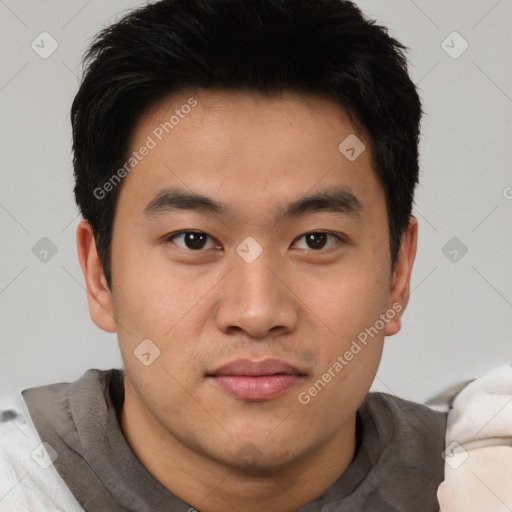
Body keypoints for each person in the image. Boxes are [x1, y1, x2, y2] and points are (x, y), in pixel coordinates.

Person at [0, 0, 449, 510]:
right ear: (100, 274)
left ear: (398, 272)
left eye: (316, 239)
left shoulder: (475, 477)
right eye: (193, 239)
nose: (257, 314)